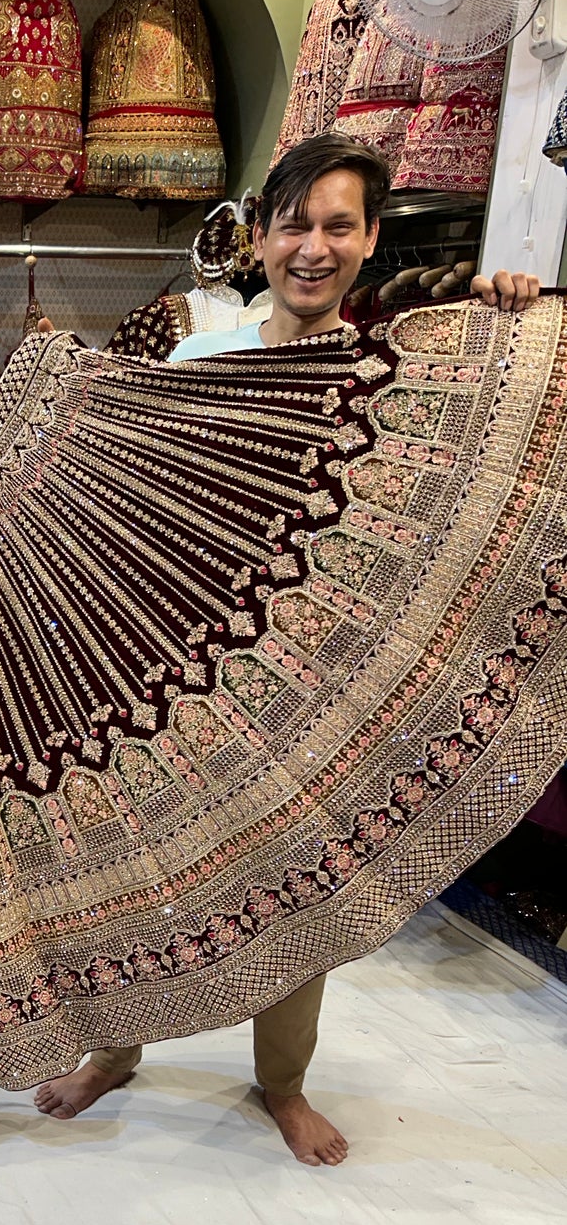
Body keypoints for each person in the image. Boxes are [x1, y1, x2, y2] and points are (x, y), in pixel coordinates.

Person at [36, 130, 541, 1168]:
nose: (312, 248)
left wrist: (506, 320)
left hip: (318, 677)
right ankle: (113, 1048)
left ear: (366, 243)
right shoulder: (198, 360)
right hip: (177, 658)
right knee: (134, 862)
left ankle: (281, 1083)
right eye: (293, 225)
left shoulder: (391, 371)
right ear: (258, 237)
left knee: (299, 872)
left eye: (337, 227)